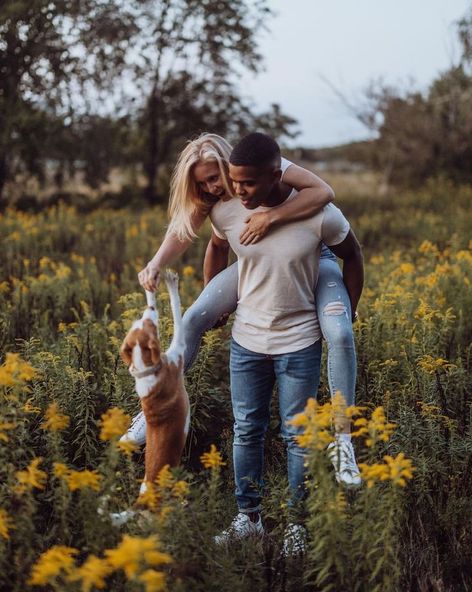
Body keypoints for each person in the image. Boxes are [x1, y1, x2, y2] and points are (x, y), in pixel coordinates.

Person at [122, 133, 359, 484]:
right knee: (192, 319)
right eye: (203, 184)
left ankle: (343, 439)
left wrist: (272, 217)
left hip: (312, 256)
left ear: (228, 163)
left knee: (339, 333)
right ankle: (156, 399)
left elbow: (324, 193)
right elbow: (202, 239)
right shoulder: (218, 199)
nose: (213, 188)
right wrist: (161, 265)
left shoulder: (268, 170)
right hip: (256, 265)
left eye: (215, 178)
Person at [206, 133, 364, 549]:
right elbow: (216, 246)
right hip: (247, 342)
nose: (238, 192)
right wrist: (215, 300)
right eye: (234, 182)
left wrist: (351, 307)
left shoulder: (318, 213)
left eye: (249, 184)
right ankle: (248, 517)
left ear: (276, 175)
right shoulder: (227, 211)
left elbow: (353, 253)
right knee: (246, 432)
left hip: (299, 342)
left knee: (298, 437)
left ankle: (298, 524)